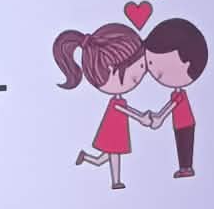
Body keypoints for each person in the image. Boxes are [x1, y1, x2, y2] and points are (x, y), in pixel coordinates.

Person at [54, 22, 154, 190]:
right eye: (126, 73)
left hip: (116, 129)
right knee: (114, 155)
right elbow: (124, 110)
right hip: (113, 130)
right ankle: (116, 181)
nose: (138, 76)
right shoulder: (116, 102)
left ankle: (86, 157)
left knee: (103, 159)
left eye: (141, 65)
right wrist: (140, 117)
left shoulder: (118, 99)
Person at [143, 17, 209, 178]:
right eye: (150, 64)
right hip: (180, 122)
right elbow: (170, 106)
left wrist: (160, 117)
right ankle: (185, 167)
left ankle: (186, 168)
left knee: (185, 144)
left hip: (185, 122)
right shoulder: (176, 93)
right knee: (182, 144)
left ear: (187, 64)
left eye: (159, 66)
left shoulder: (179, 94)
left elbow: (172, 106)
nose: (154, 72)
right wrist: (159, 115)